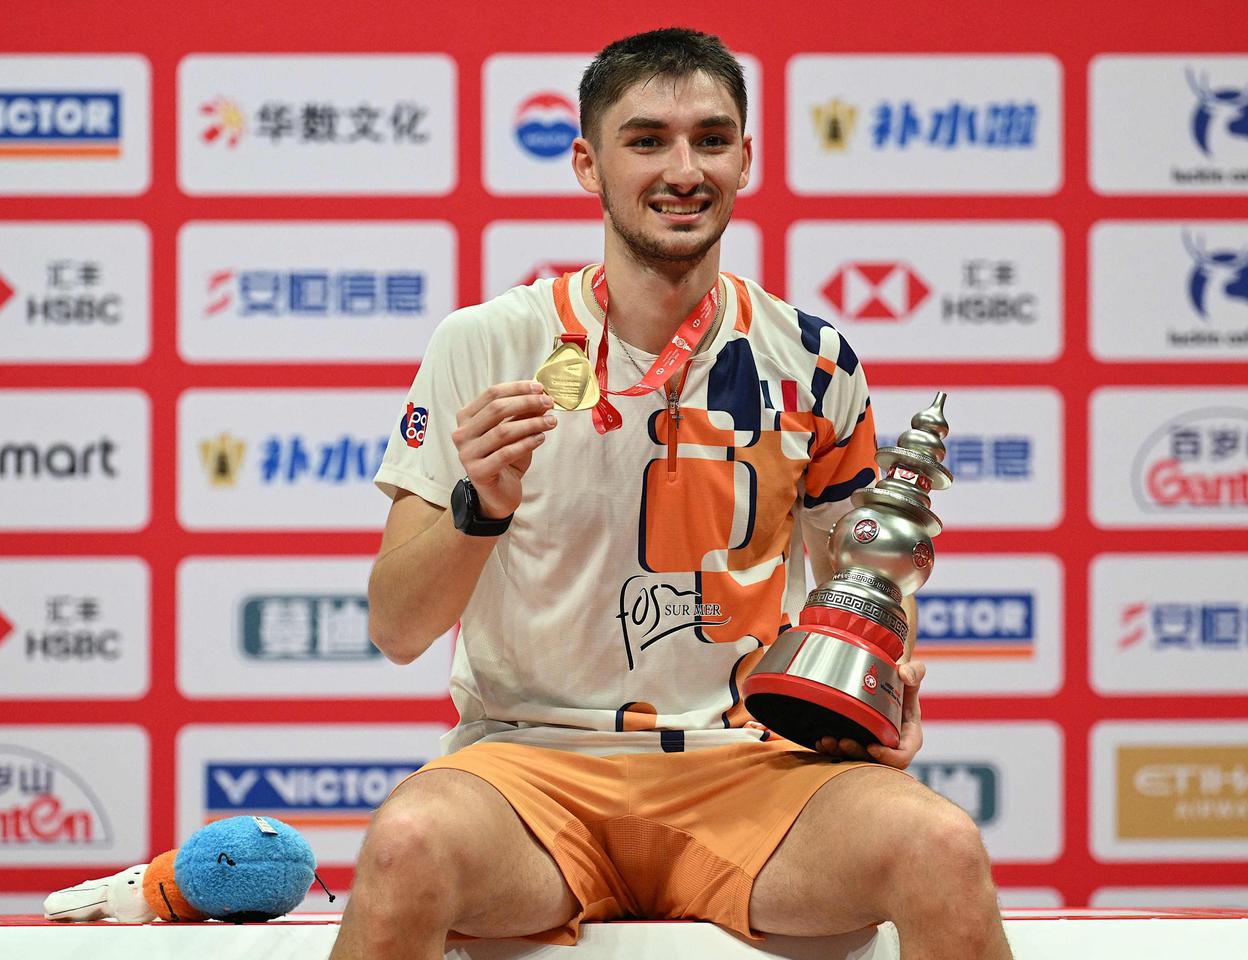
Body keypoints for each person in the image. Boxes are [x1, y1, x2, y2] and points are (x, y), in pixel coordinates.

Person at [332, 27, 1012, 960]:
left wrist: (874, 696)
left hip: (752, 770)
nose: (683, 169)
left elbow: (857, 589)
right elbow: (396, 627)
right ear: (587, 163)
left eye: (711, 139)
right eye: (646, 140)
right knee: (407, 846)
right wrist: (479, 508)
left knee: (940, 846)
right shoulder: (483, 343)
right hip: (529, 771)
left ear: (747, 160)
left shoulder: (814, 361)